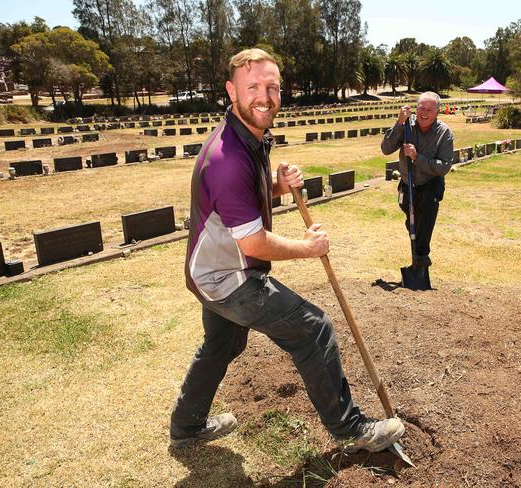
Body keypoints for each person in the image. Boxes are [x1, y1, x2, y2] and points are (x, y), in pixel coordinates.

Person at [170, 48, 404, 454]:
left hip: (210, 269)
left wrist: (276, 187)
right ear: (231, 91)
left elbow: (241, 203)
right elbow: (253, 241)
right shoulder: (227, 159)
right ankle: (351, 431)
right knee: (313, 329)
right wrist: (309, 248)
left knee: (223, 344)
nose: (265, 96)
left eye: (272, 86)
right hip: (229, 276)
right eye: (253, 87)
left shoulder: (250, 138)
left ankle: (187, 425)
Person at [381, 92, 454, 271]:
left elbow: (443, 167)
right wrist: (398, 123)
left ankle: (421, 256)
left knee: (425, 216)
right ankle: (419, 253)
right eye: (421, 108)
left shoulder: (444, 133)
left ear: (437, 112)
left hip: (431, 183)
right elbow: (386, 148)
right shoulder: (406, 125)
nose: (424, 112)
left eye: (429, 109)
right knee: (412, 220)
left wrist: (416, 157)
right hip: (408, 182)